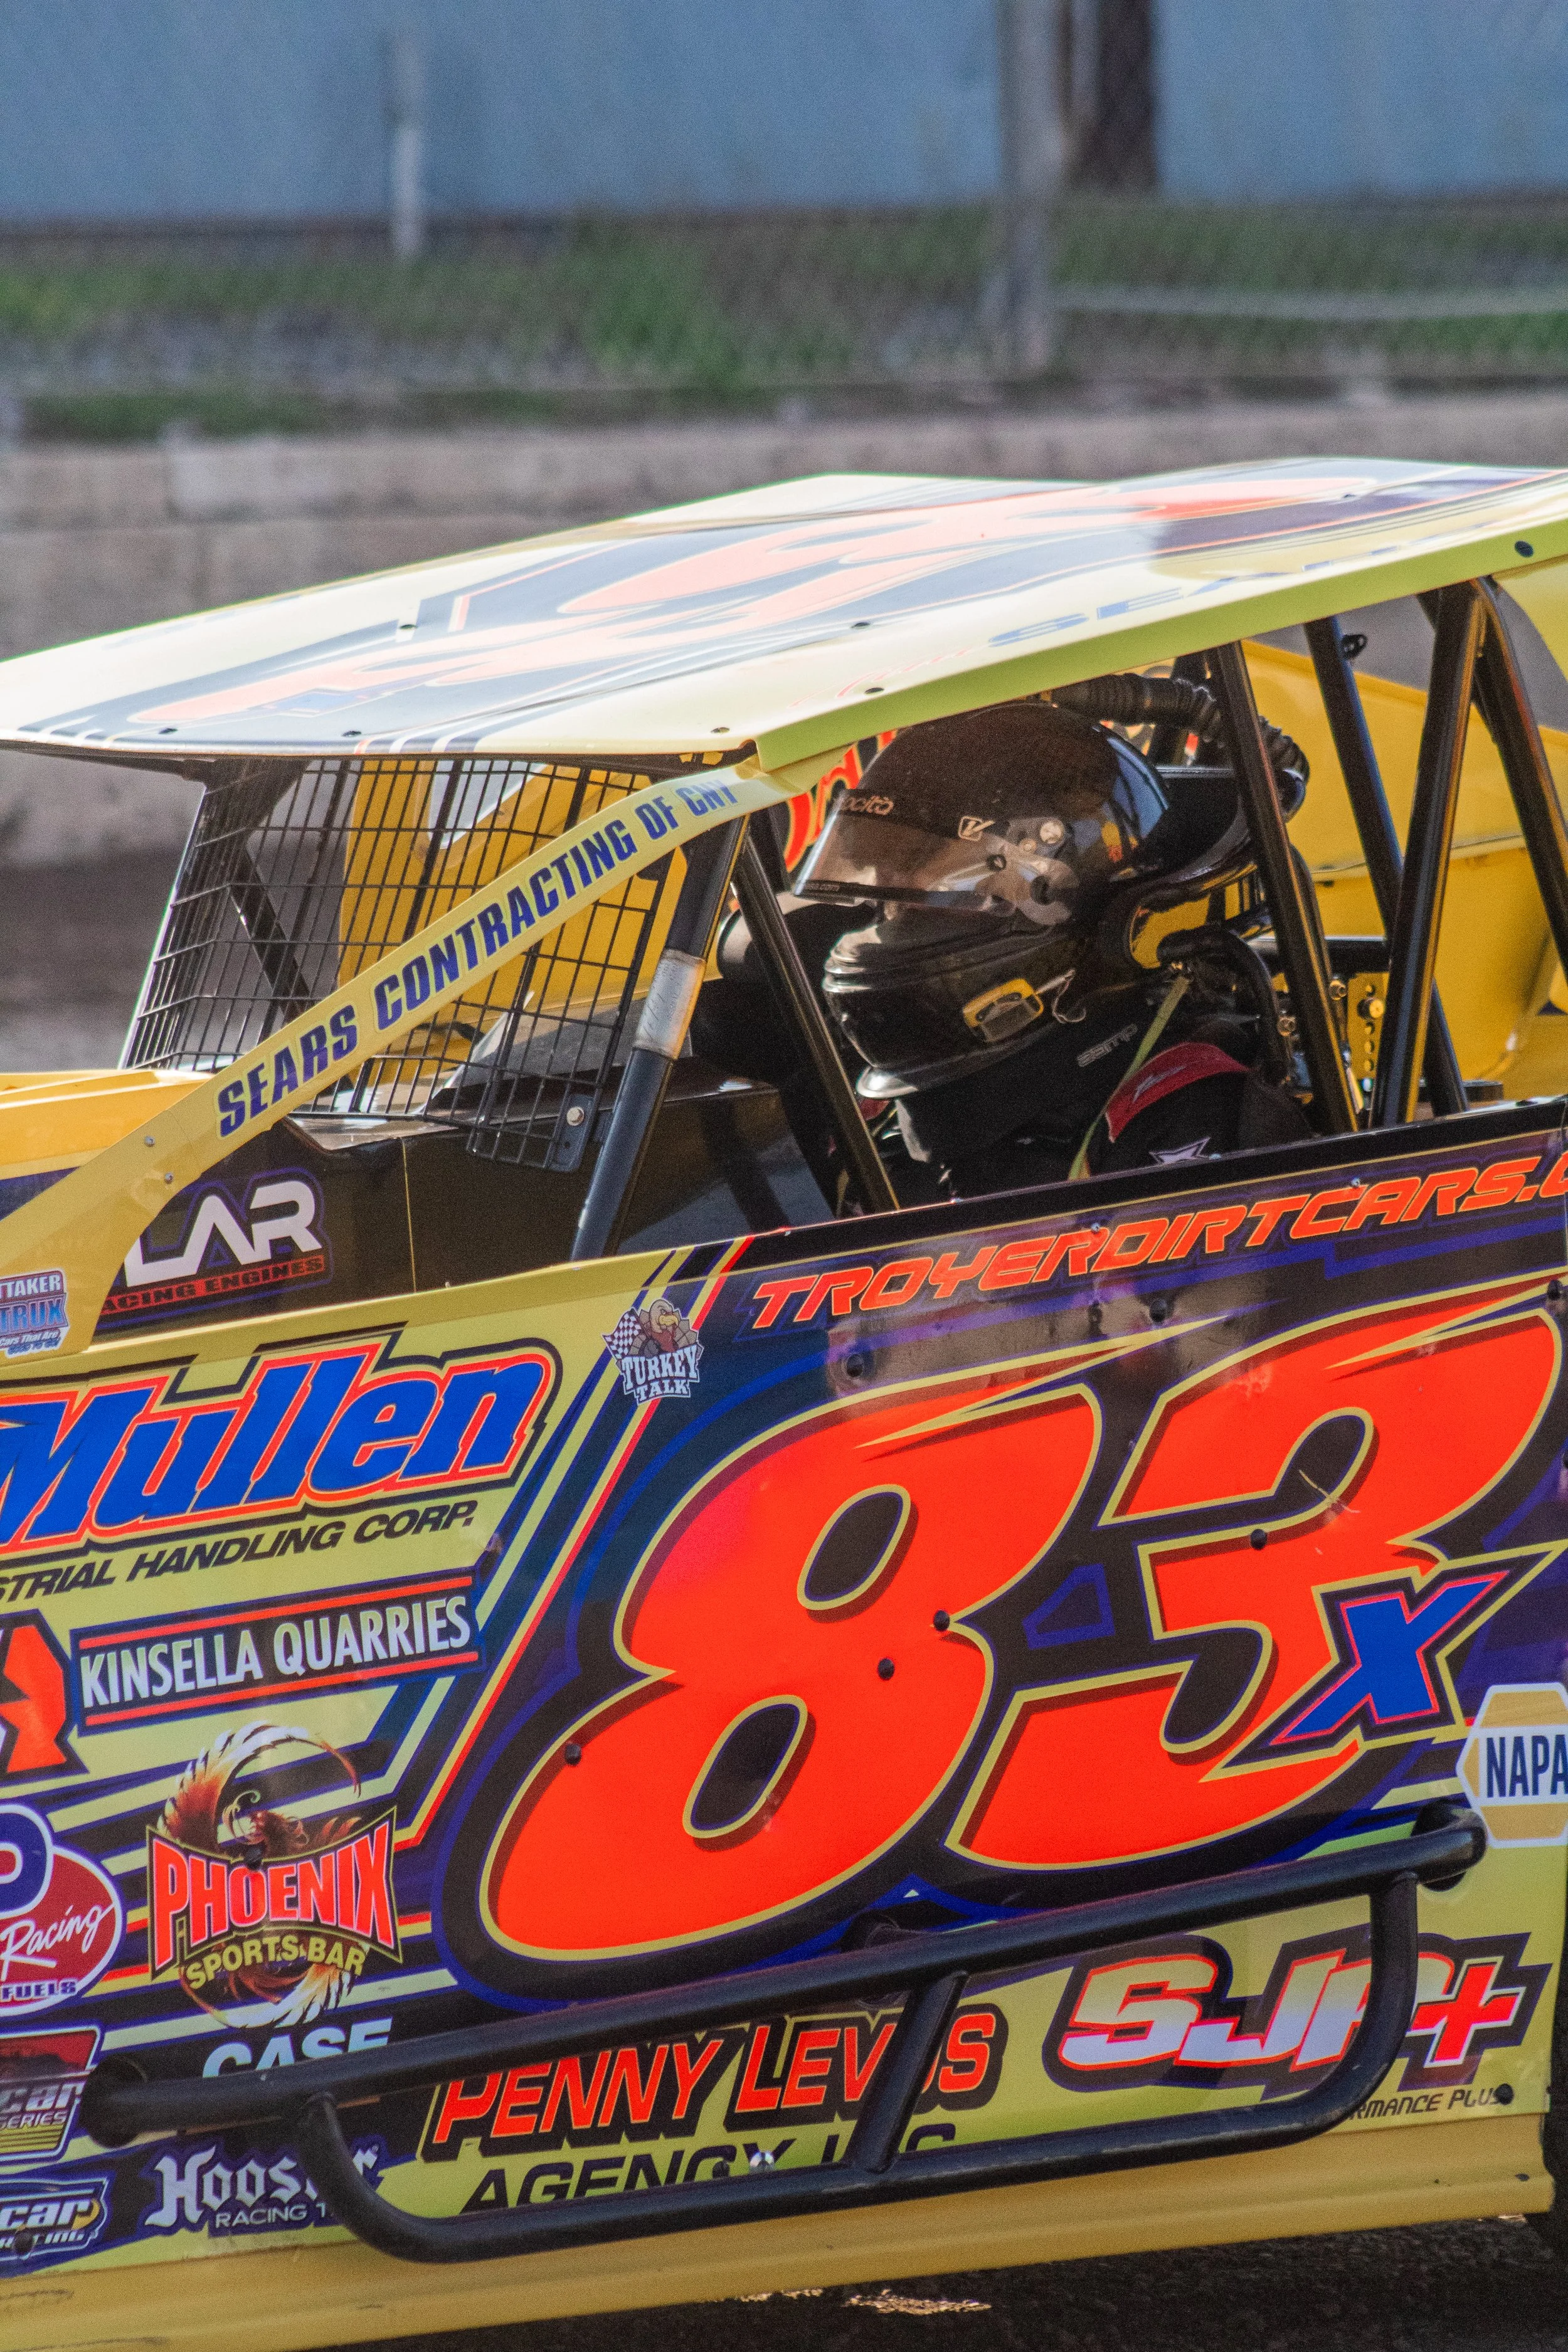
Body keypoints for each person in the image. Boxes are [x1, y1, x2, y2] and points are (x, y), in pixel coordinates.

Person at [786, 687, 1314, 1199]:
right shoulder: (879, 1115)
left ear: (1056, 887)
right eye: (888, 896)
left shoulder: (1185, 1118)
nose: (891, 923)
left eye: (921, 889)